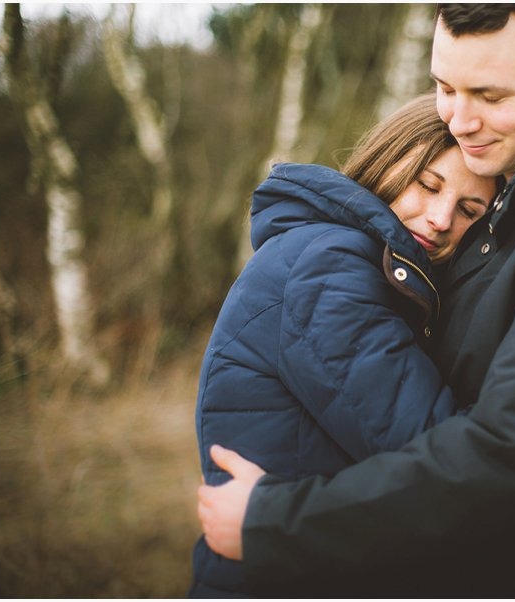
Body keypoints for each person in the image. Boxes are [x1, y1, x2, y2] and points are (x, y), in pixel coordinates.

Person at [197, 4, 515, 597]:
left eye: (489, 95)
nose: (462, 120)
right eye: (444, 87)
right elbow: (452, 441)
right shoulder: (335, 265)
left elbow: (506, 459)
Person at [188, 93, 498, 597]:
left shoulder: (366, 267)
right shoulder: (329, 267)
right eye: (428, 185)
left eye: (468, 209)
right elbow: (438, 451)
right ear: (387, 156)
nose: (441, 219)